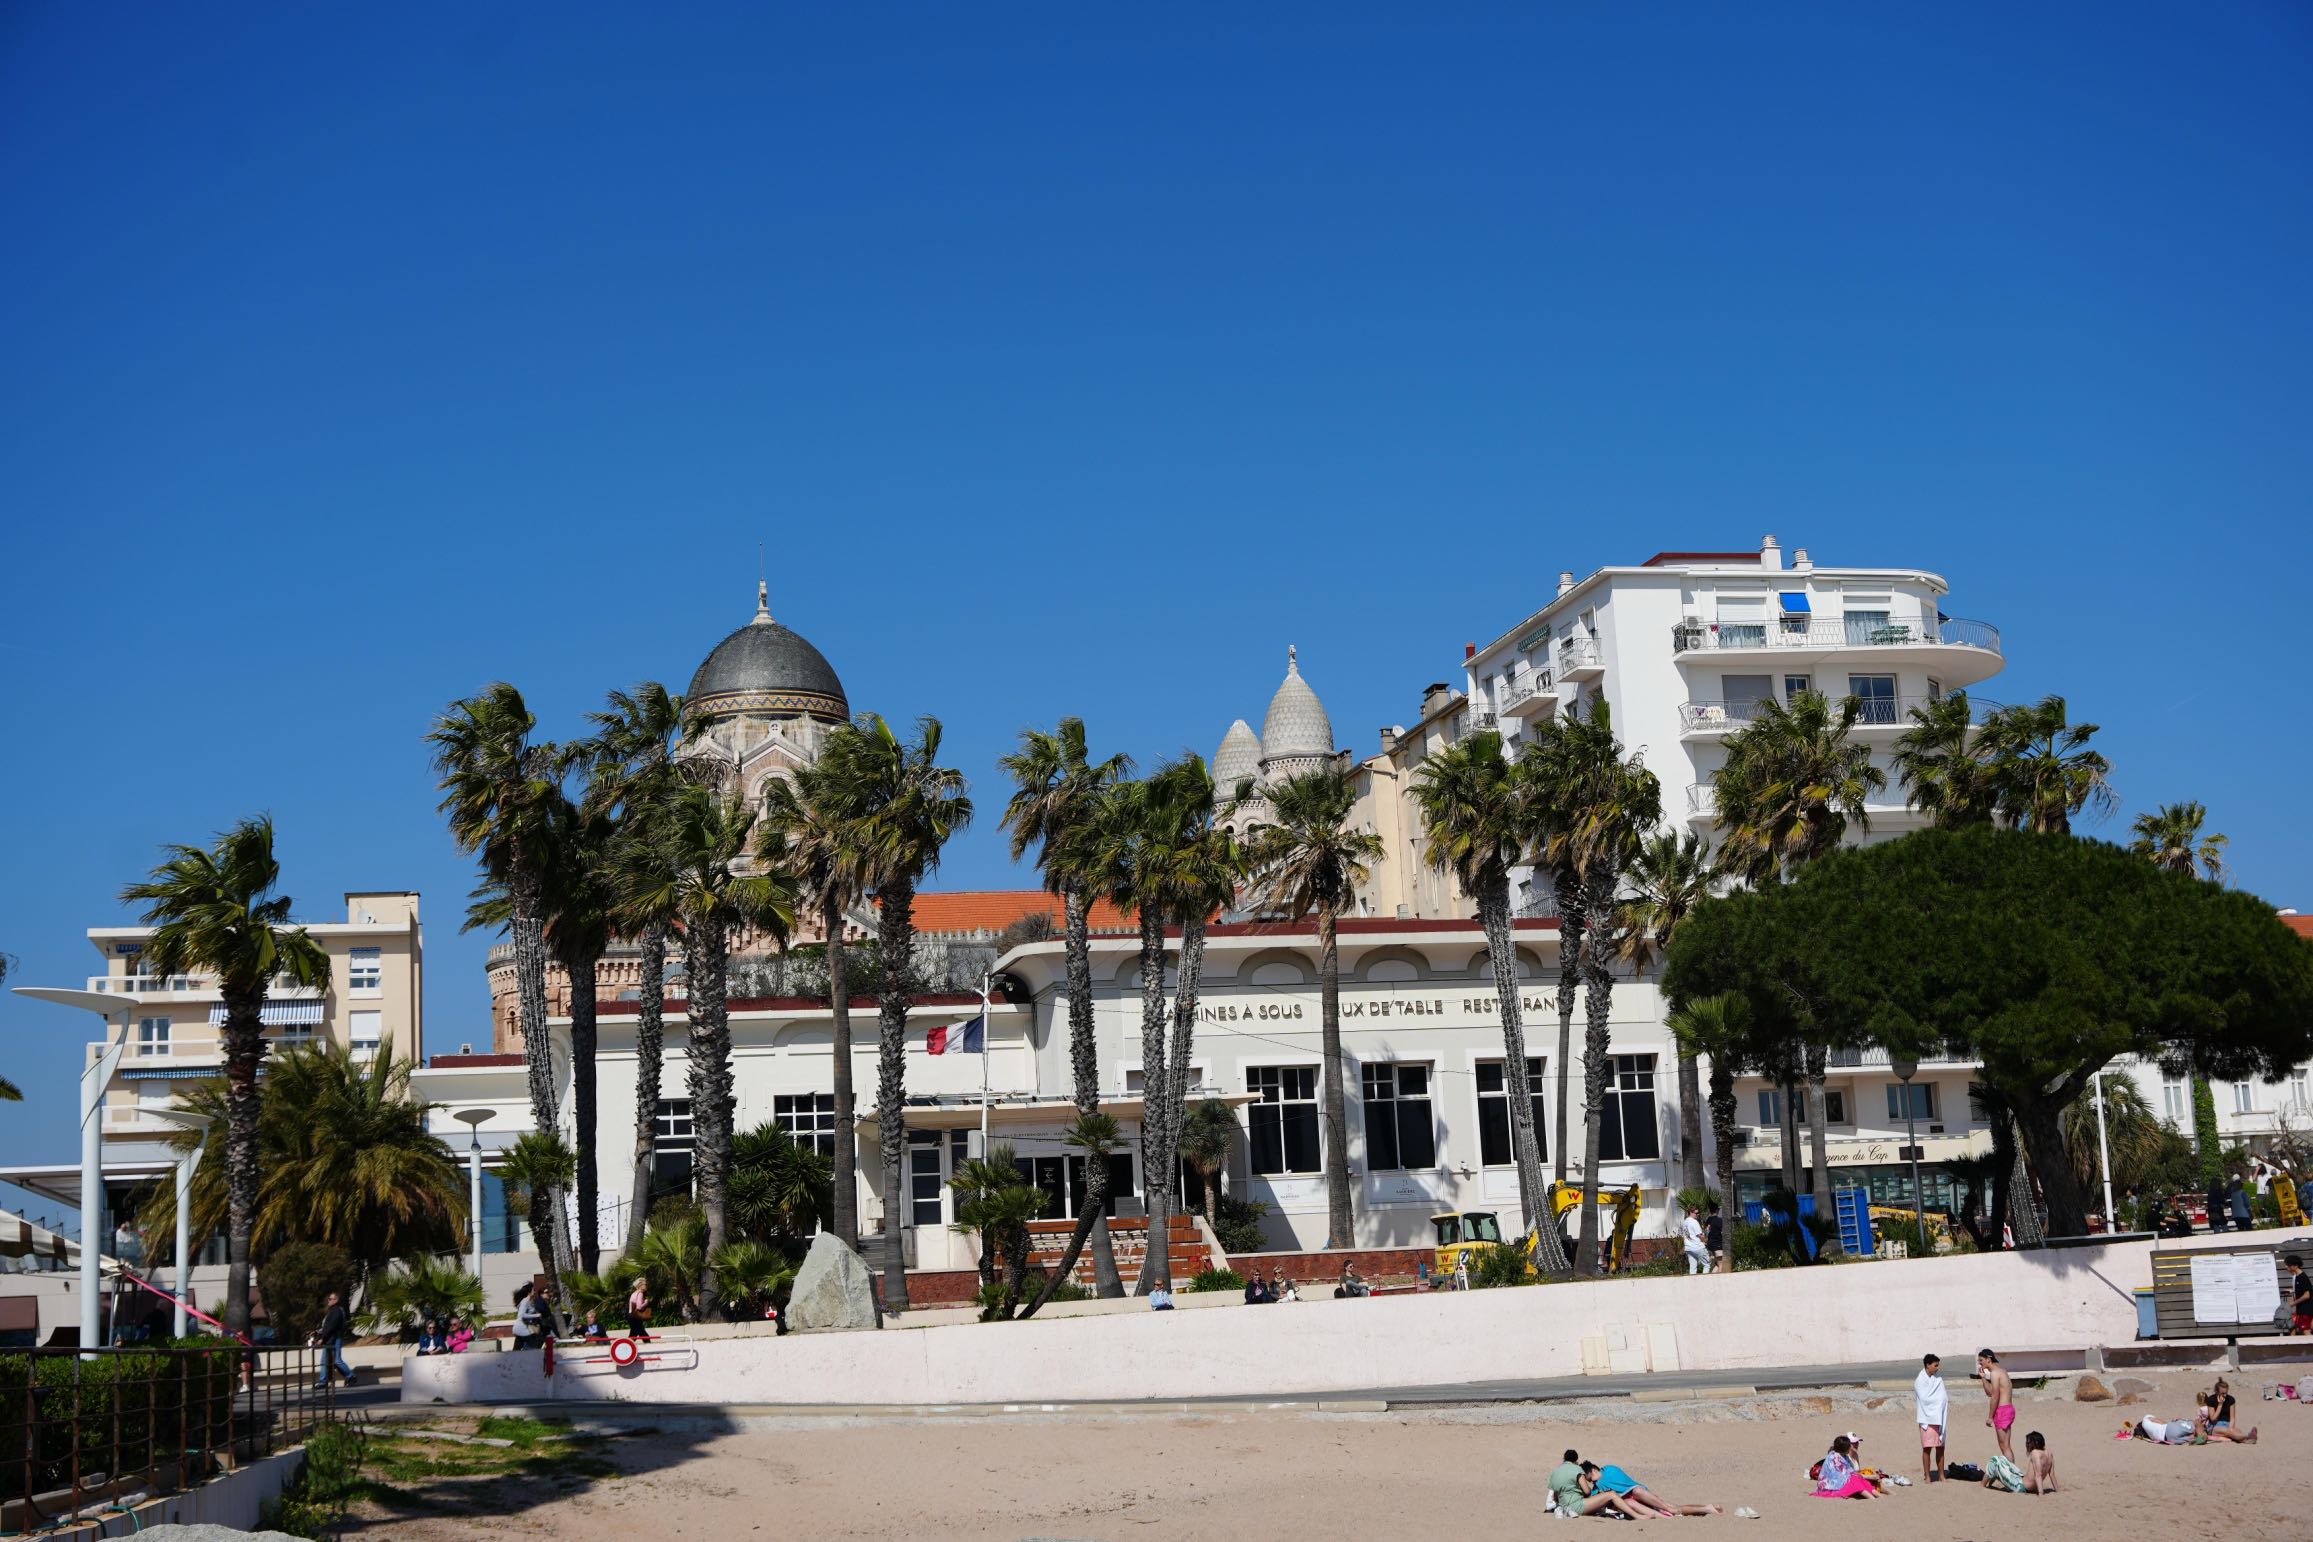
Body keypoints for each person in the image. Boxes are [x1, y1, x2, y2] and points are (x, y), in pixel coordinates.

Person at [1586, 1460, 1722, 1516]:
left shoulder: (1608, 1470)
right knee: (1674, 1508)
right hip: (1639, 1495)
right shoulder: (1601, 1481)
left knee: (1673, 1509)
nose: (1591, 1482)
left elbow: (1623, 1483)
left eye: (1589, 1478)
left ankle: (1706, 1508)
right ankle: (1706, 1508)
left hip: (1639, 1494)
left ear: (1592, 1470)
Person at [1977, 1347, 2016, 1462]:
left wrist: (1990, 1417)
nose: (1980, 1363)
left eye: (1981, 1360)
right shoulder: (2002, 1371)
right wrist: (1983, 1378)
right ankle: (2010, 1469)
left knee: (2004, 1446)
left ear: (1988, 1359)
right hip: (2008, 1409)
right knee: (2005, 1445)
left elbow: (1994, 1397)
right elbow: (1989, 1393)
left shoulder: (1995, 1373)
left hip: (2003, 1410)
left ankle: (2011, 1471)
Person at [1811, 1434, 1880, 1499]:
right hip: (1830, 1485)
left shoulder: (1844, 1456)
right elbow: (1840, 1475)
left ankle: (1878, 1496)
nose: (1850, 1447)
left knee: (1859, 1479)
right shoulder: (1834, 1457)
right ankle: (1871, 1498)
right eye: (1849, 1446)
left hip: (1841, 1480)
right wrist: (1869, 1476)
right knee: (1855, 1480)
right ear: (1844, 1448)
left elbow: (1850, 1471)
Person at [1914, 1352, 1948, 1482]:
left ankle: (1941, 1475)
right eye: (1935, 1365)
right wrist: (1938, 1402)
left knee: (1940, 1448)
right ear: (1927, 1365)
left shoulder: (1938, 1378)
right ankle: (1927, 1475)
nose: (1937, 1368)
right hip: (1926, 1419)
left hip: (1939, 1418)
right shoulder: (1919, 1380)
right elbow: (1924, 1399)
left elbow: (1943, 1396)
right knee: (1927, 1448)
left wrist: (1939, 1403)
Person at [311, 1291, 353, 1390]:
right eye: (328, 1299)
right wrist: (317, 1332)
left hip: (335, 1339)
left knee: (337, 1360)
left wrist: (323, 1338)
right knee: (324, 1361)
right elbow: (326, 1327)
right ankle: (323, 1381)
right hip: (329, 1339)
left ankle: (351, 1376)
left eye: (330, 1299)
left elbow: (331, 1327)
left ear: (336, 1300)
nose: (328, 1301)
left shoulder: (336, 1311)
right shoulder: (332, 1311)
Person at [2196, 1378, 2258, 1444]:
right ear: (2217, 1392)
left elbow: (2232, 1418)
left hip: (2227, 1424)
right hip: (2214, 1426)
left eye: (2226, 1393)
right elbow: (2213, 1418)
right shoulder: (2211, 1400)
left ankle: (2247, 1440)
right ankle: (2248, 1436)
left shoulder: (2231, 1400)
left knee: (2236, 1431)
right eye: (2222, 1393)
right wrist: (2220, 1405)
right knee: (2230, 1432)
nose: (2225, 1395)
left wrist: (2231, 1428)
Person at [2125, 1414, 2197, 1445]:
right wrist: (2167, 1423)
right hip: (2168, 1428)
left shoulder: (2151, 1436)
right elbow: (2155, 1419)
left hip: (2168, 1439)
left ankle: (2193, 1435)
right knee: (2191, 1425)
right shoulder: (2145, 1420)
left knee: (2190, 1437)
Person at [1681, 1205, 1709, 1276]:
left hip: (1689, 1248)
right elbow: (1700, 1235)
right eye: (1696, 1213)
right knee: (1707, 1265)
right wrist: (1706, 1241)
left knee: (1692, 1268)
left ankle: (1692, 1282)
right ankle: (1704, 1280)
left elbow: (1684, 1236)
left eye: (1698, 1213)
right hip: (1698, 1247)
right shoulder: (1694, 1222)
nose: (1698, 1214)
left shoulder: (1685, 1222)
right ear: (1690, 1212)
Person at [2287, 1253, 2310, 1335]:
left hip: (2306, 1309)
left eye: (2288, 1265)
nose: (2286, 1267)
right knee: (2299, 1328)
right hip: (2302, 1309)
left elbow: (2307, 1295)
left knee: (2305, 1330)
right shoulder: (2297, 1277)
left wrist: (2294, 1303)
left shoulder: (2302, 1277)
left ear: (2295, 1266)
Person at [625, 1277, 652, 1341]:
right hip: (635, 1317)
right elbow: (639, 1307)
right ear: (640, 1286)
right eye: (645, 1284)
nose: (646, 1286)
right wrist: (646, 1302)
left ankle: (627, 1344)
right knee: (635, 1334)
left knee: (640, 1334)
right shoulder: (640, 1294)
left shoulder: (634, 1293)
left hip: (631, 1316)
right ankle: (625, 1345)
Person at [1704, 1202, 1725, 1272]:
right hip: (1717, 1244)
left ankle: (1712, 1277)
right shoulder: (1719, 1220)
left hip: (1710, 1244)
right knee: (1721, 1264)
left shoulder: (1708, 1220)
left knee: (1717, 1264)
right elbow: (1723, 1232)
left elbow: (1706, 1231)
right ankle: (1720, 1278)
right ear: (1717, 1210)